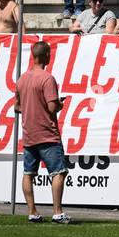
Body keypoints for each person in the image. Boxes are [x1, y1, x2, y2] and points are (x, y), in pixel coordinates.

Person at [13, 40, 72, 223]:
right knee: (58, 172)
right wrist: (61, 103)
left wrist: (32, 107)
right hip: (47, 133)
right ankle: (57, 212)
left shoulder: (22, 78)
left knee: (28, 173)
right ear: (46, 55)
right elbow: (52, 108)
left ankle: (32, 211)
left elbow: (17, 106)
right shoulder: (47, 78)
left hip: (29, 134)